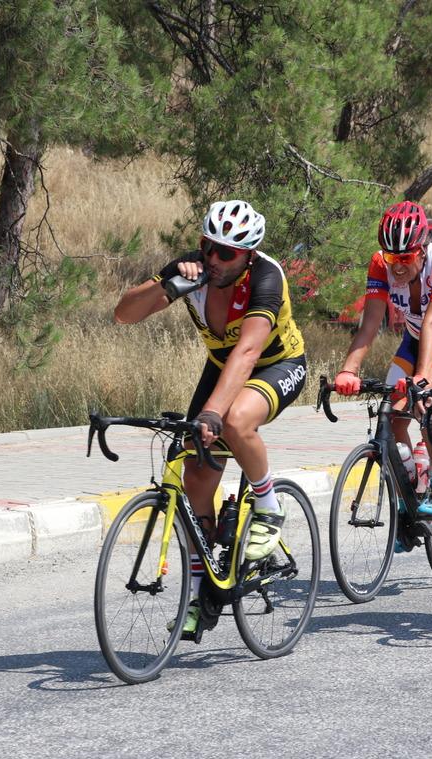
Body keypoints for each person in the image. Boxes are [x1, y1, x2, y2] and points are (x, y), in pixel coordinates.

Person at [113, 200, 307, 636]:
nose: (215, 259)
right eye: (209, 247)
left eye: (227, 253)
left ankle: (269, 508)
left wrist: (213, 413)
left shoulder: (265, 277)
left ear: (248, 256)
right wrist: (170, 286)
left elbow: (249, 351)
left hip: (276, 364)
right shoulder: (192, 270)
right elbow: (123, 314)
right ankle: (205, 590)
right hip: (222, 369)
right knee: (196, 475)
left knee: (236, 421)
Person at [332, 201, 432, 518]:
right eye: (391, 257)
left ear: (422, 250)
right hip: (415, 339)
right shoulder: (380, 265)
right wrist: (349, 370)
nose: (397, 266)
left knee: (427, 398)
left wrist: (422, 377)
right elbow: (370, 323)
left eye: (405, 257)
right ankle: (410, 492)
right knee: (391, 413)